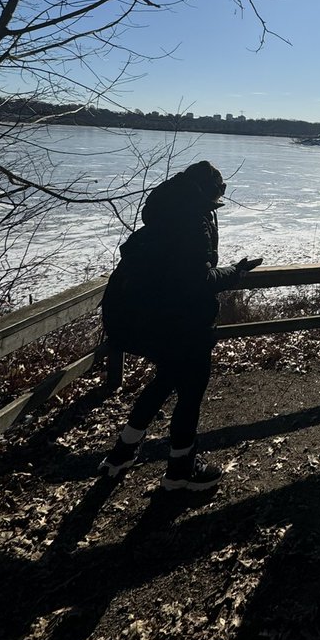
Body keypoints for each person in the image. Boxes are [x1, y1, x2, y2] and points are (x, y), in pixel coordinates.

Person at [99, 161, 260, 490]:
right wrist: (235, 272)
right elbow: (197, 279)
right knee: (190, 393)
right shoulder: (191, 222)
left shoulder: (164, 215)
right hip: (183, 325)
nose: (217, 204)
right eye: (217, 196)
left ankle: (122, 453)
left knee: (163, 382)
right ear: (208, 193)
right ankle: (180, 472)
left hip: (152, 322)